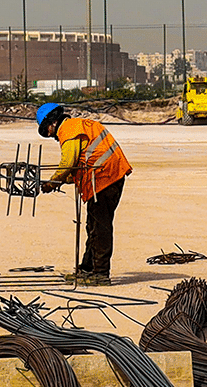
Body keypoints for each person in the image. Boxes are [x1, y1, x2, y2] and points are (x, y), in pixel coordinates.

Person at [37, 103, 133, 286]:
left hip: (105, 178)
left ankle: (101, 274)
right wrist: (62, 180)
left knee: (100, 227)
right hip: (107, 176)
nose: (50, 135)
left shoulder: (69, 130)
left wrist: (53, 182)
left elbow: (68, 162)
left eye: (46, 130)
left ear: (53, 122)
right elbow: (78, 165)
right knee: (93, 226)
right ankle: (88, 268)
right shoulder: (77, 126)